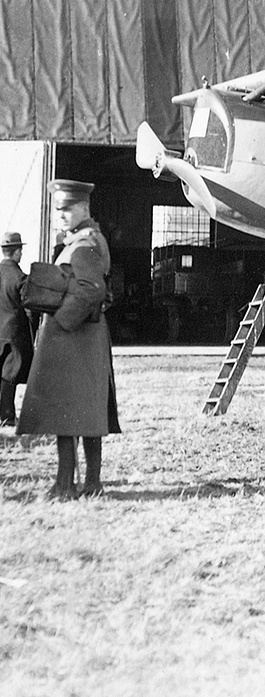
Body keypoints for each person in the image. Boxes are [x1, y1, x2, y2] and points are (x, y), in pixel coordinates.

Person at [16, 181, 119, 500]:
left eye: (66, 209)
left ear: (83, 209)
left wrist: (61, 321)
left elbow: (91, 289)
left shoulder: (85, 243)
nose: (60, 215)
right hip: (84, 339)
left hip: (76, 339)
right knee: (87, 412)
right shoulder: (83, 239)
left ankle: (66, 485)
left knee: (68, 412)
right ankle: (90, 482)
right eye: (57, 209)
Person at [0, 232, 32, 428]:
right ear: (17, 252)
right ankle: (7, 416)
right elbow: (29, 308)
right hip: (13, 334)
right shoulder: (20, 277)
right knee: (9, 375)